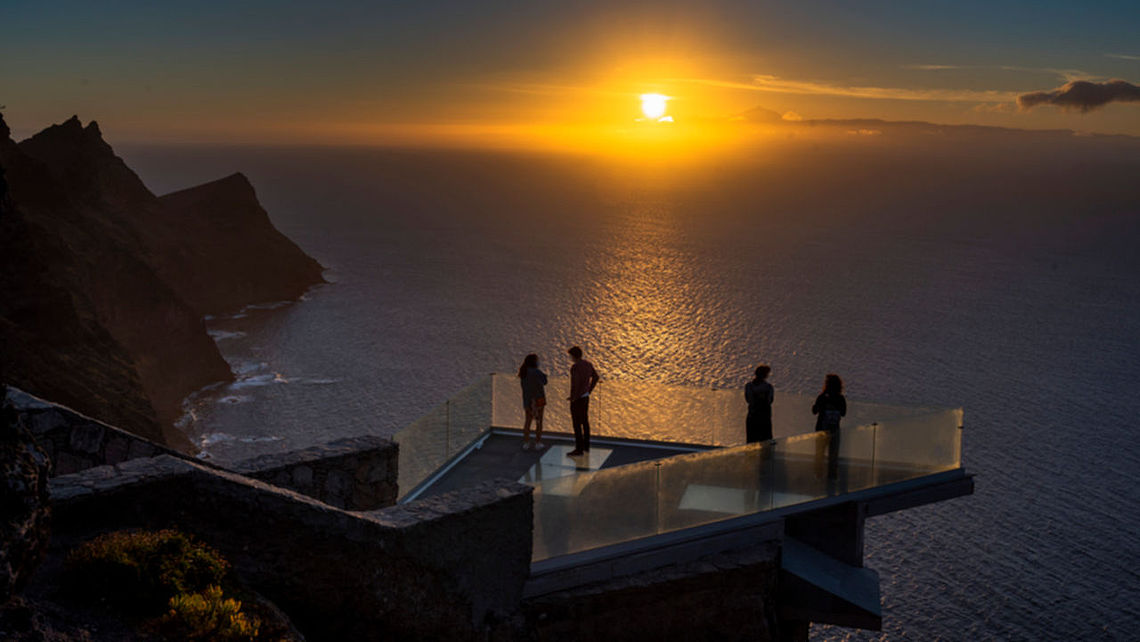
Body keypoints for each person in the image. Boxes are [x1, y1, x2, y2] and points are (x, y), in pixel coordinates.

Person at [811, 373, 847, 480]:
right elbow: (843, 413)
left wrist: (821, 406)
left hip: (821, 428)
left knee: (819, 453)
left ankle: (818, 474)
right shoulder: (840, 398)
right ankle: (832, 475)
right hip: (834, 429)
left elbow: (814, 411)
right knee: (833, 454)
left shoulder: (822, 397)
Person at [566, 345, 599, 457]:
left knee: (576, 423)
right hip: (585, 397)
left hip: (577, 399)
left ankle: (578, 449)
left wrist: (573, 397)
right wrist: (589, 390)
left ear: (573, 356)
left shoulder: (575, 367)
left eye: (570, 356)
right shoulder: (588, 364)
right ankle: (586, 446)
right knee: (585, 421)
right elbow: (596, 377)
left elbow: (575, 383)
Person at [518, 353, 548, 451]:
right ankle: (538, 443)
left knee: (527, 421)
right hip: (539, 399)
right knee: (539, 422)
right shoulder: (537, 372)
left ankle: (526, 442)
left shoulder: (523, 372)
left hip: (527, 399)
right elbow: (545, 381)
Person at [744, 365, 774, 443]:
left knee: (751, 440)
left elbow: (748, 399)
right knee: (765, 441)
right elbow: (770, 400)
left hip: (752, 415)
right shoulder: (768, 387)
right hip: (764, 417)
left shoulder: (749, 386)